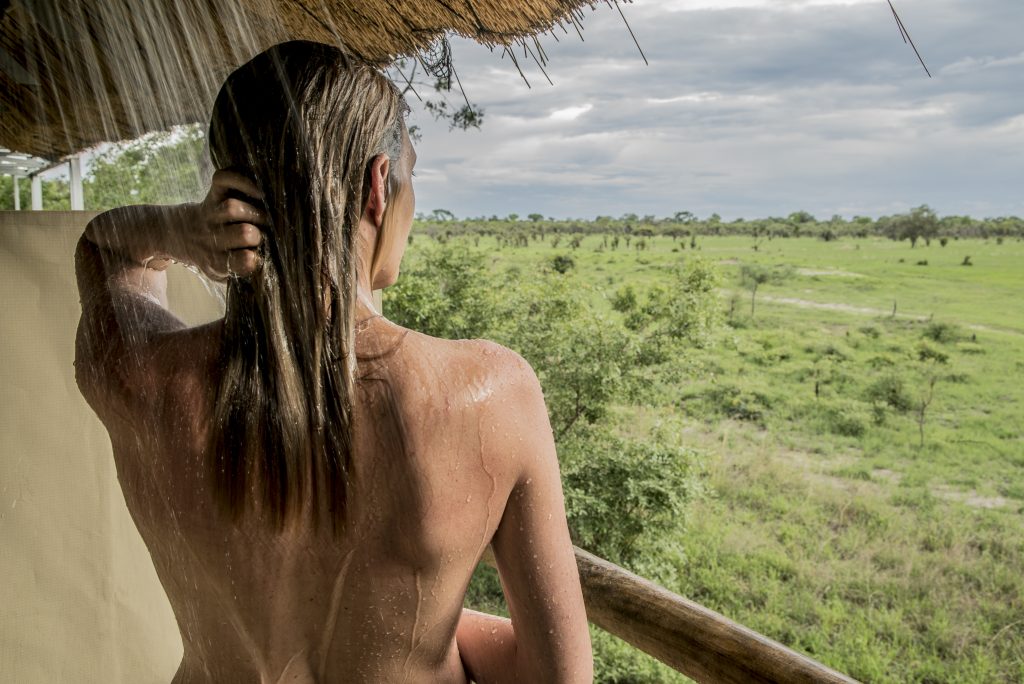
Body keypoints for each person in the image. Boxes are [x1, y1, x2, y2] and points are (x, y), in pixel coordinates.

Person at [74, 41, 592, 683]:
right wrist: (430, 619)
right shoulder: (493, 393)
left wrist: (182, 230)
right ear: (380, 185)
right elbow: (558, 678)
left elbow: (104, 248)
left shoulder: (146, 381)